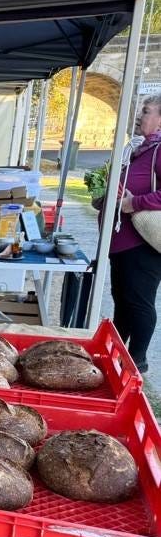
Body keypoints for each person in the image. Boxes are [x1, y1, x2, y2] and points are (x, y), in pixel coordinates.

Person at [102, 95, 161, 372]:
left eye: (146, 112)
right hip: (121, 242)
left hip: (142, 243)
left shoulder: (159, 150)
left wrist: (133, 203)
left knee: (138, 301)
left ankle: (137, 360)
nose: (140, 116)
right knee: (122, 298)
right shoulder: (140, 149)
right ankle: (119, 354)